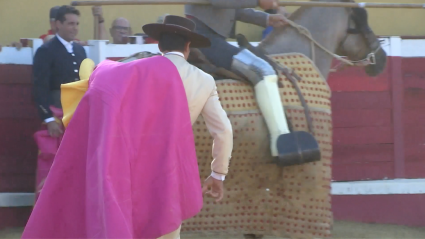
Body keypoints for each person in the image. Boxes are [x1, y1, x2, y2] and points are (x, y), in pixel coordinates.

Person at [21, 15, 233, 239]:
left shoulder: (135, 70)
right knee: (167, 228)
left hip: (130, 164)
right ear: (188, 46)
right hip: (169, 166)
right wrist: (218, 173)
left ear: (159, 44)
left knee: (124, 223)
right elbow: (223, 131)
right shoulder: (204, 80)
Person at [185, 0, 292, 161]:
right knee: (263, 70)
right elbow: (219, 2)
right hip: (204, 39)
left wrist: (266, 19)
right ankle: (281, 143)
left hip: (211, 39)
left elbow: (233, 9)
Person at [31, 5, 86, 202]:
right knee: (52, 162)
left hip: (77, 116)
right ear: (58, 25)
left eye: (77, 24)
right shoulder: (46, 50)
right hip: (56, 114)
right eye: (70, 23)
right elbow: (40, 87)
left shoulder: (80, 50)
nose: (75, 28)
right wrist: (48, 118)